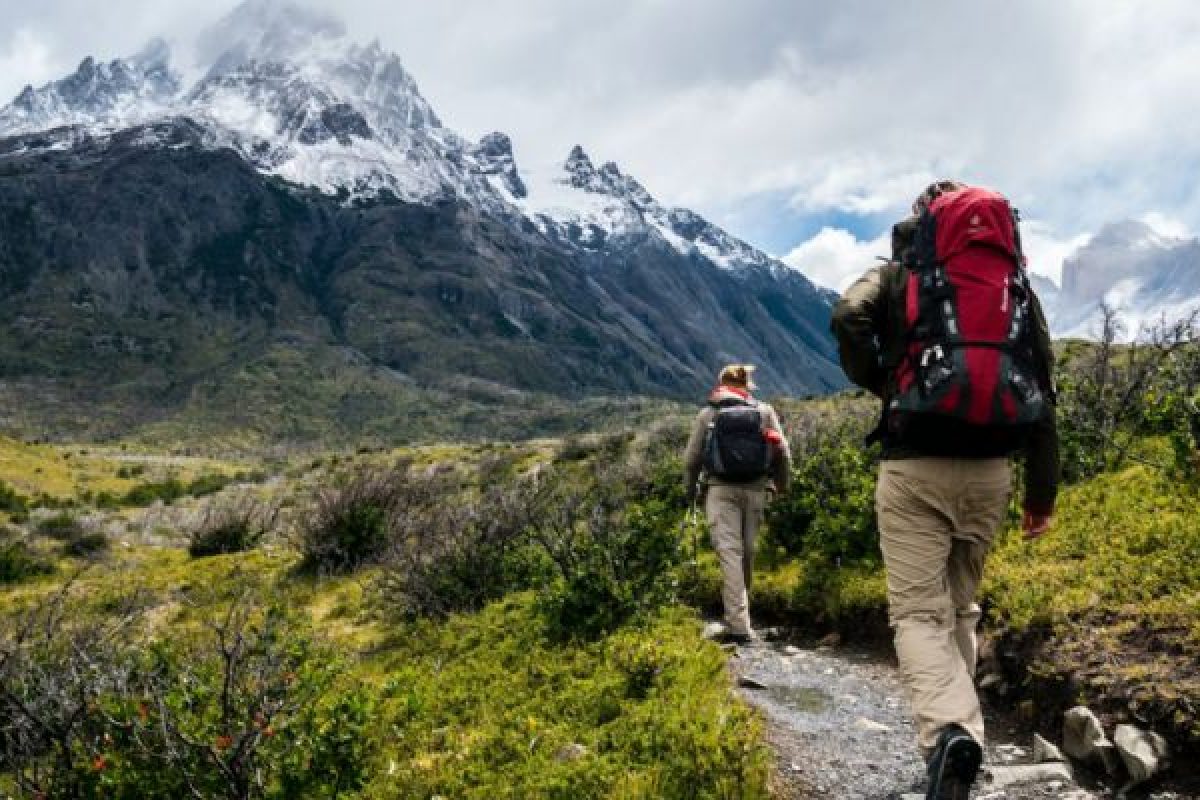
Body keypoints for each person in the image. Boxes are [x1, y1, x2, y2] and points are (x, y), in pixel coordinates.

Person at [831, 181, 1059, 799]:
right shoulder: (1013, 285)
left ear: (924, 220)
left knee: (915, 613)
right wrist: (1042, 495)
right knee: (960, 607)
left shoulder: (901, 275)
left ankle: (950, 734)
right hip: (992, 469)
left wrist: (883, 381)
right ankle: (966, 743)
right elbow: (1042, 385)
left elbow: (846, 315)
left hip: (915, 465)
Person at [683, 364, 791, 644]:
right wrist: (782, 485)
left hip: (720, 491)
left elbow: (691, 460)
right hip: (756, 490)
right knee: (748, 552)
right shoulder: (764, 412)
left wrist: (691, 493)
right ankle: (741, 617)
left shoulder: (708, 414)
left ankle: (739, 625)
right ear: (748, 385)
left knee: (729, 553)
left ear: (721, 383)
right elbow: (783, 452)